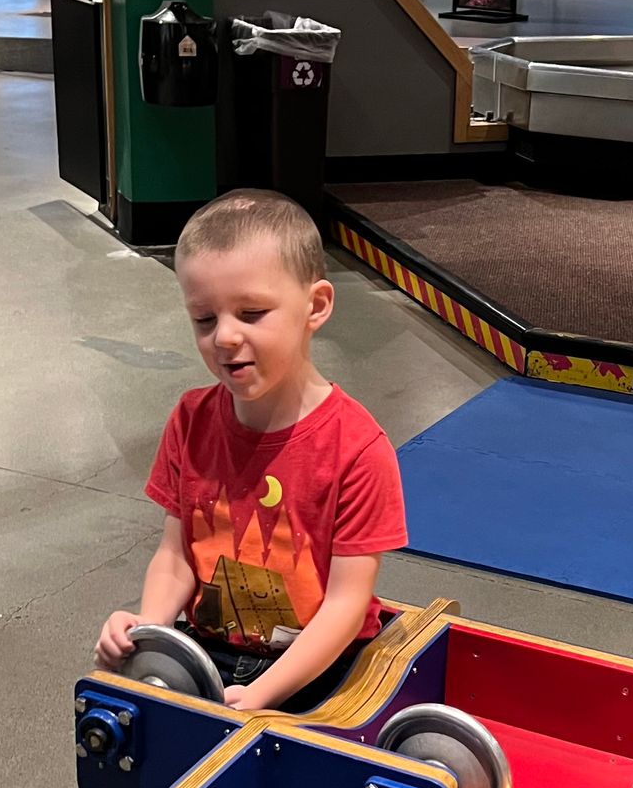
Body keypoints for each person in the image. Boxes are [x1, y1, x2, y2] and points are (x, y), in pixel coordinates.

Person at [96, 191, 407, 711]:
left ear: (316, 306)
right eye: (204, 319)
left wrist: (261, 695)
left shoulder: (357, 449)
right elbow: (176, 556)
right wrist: (150, 631)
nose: (224, 336)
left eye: (252, 313)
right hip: (211, 651)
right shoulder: (191, 420)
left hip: (320, 665)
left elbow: (346, 604)